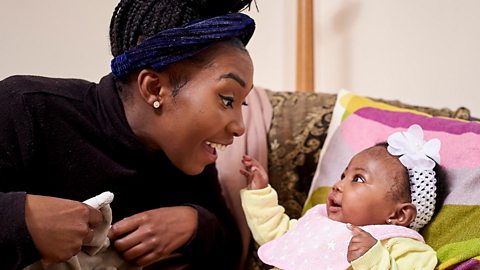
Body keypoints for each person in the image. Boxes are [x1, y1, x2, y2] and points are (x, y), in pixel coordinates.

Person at [0, 0, 257, 269]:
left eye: (244, 103)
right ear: (154, 88)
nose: (240, 126)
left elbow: (230, 252)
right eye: (228, 99)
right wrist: (22, 220)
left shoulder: (188, 156)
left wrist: (195, 225)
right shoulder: (24, 107)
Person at [240, 124, 446, 269]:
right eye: (343, 175)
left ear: (399, 215)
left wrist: (373, 260)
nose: (338, 185)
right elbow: (278, 233)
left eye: (358, 179)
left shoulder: (398, 245)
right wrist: (260, 193)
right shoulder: (318, 222)